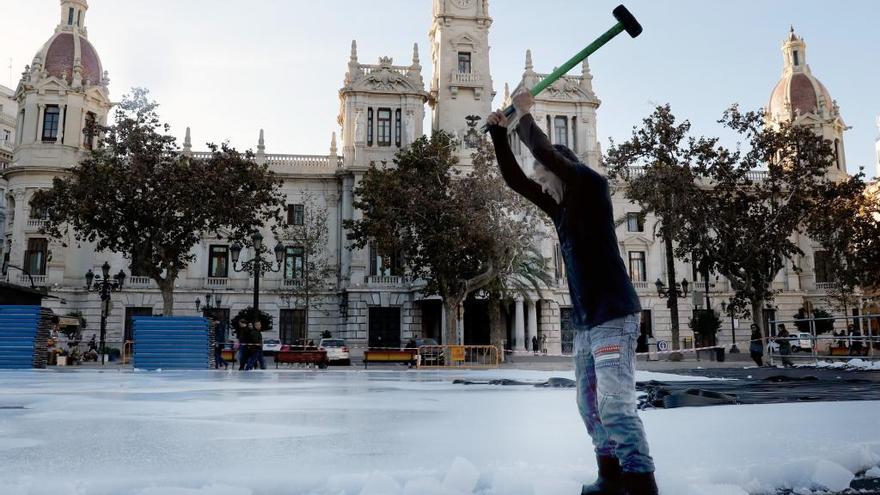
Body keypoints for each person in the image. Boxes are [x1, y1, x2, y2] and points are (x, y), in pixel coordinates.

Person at [488, 90, 657, 495]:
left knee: (615, 405)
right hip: (586, 322)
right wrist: (498, 133)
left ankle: (642, 483)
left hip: (614, 315)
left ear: (563, 170)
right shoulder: (559, 208)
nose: (539, 181)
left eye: (545, 175)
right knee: (589, 404)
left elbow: (546, 155)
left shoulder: (591, 185)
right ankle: (611, 476)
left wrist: (524, 116)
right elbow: (515, 181)